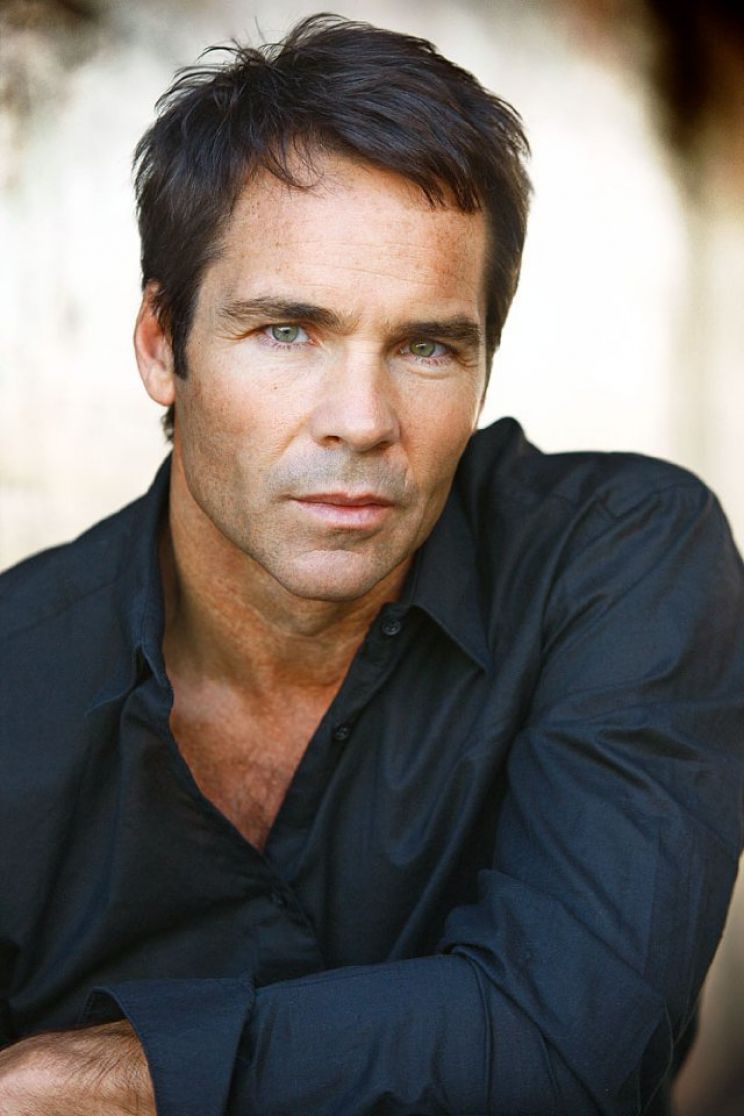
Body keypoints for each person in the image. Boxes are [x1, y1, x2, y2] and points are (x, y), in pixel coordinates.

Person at [0, 13, 742, 1116]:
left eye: (426, 346)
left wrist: (107, 1077)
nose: (361, 419)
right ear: (163, 345)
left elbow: (574, 1045)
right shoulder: (15, 683)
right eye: (288, 331)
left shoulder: (617, 560)